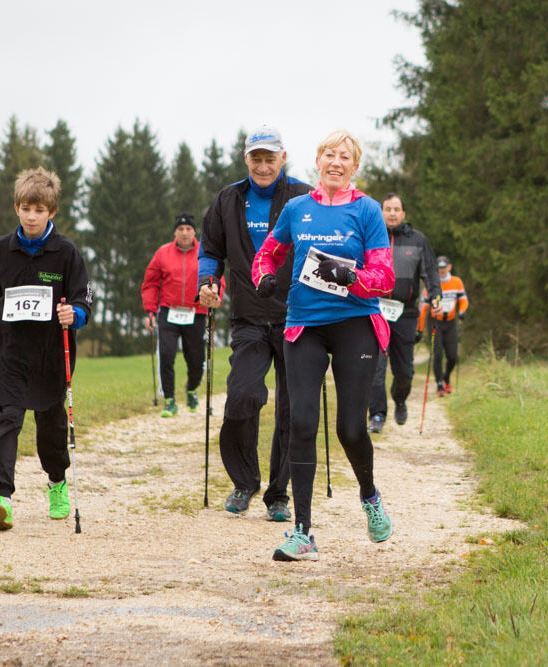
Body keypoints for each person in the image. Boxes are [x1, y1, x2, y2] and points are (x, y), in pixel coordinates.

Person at [252, 129, 396, 561]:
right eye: (329, 154)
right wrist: (264, 276)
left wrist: (352, 278)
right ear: (318, 161)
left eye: (345, 156)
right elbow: (268, 253)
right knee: (300, 422)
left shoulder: (368, 211)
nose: (336, 162)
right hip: (305, 325)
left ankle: (369, 497)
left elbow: (384, 278)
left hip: (355, 322)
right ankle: (303, 531)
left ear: (355, 166)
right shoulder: (297, 209)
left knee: (350, 428)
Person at [197, 123, 311, 522]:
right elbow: (210, 249)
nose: (263, 166)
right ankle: (244, 482)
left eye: (270, 158)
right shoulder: (229, 199)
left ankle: (279, 494)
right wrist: (207, 283)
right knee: (242, 396)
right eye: (256, 158)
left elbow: (324, 244)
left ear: (283, 158)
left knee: (292, 408)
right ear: (246, 159)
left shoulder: (302, 196)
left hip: (296, 317)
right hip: (248, 318)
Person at [0, 167, 92, 531]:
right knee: (7, 418)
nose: (31, 216)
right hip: (10, 353)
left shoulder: (67, 253)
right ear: (16, 208)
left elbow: (85, 303)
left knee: (50, 425)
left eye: (39, 210)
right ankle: (1, 498)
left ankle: (57, 482)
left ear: (51, 213)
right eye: (26, 208)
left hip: (49, 355)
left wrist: (72, 313)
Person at [365, 193, 441, 435]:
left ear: (404, 213)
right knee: (375, 368)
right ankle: (377, 414)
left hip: (405, 314)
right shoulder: (372, 236)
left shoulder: (418, 240)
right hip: (374, 312)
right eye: (387, 209)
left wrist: (436, 295)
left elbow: (430, 273)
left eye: (397, 209)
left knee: (404, 372)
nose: (392, 213)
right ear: (381, 212)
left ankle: (399, 399)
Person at [141, 212, 222, 417]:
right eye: (180, 229)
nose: (184, 233)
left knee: (195, 358)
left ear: (194, 231)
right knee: (166, 355)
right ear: (175, 232)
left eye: (188, 229)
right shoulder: (163, 253)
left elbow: (217, 279)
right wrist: (150, 310)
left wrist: (215, 296)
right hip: (169, 311)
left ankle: (192, 389)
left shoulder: (205, 251)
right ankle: (169, 400)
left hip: (197, 312)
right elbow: (150, 283)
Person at [419, 255, 469, 396]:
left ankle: (446, 377)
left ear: (449, 267)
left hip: (451, 322)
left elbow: (464, 300)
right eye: (439, 268)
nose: (442, 270)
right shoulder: (431, 284)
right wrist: (420, 328)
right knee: (438, 354)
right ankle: (440, 384)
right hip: (435, 322)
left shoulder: (456, 282)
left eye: (444, 267)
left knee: (453, 356)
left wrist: (462, 311)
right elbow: (423, 308)